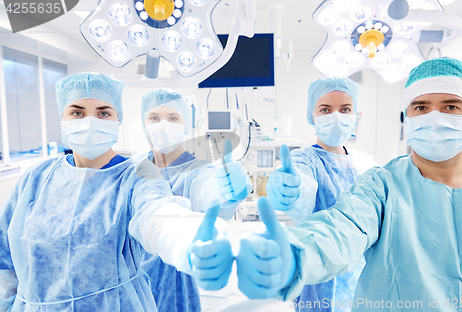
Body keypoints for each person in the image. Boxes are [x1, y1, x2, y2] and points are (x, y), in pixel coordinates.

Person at [235, 58, 462, 311]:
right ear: (408, 116)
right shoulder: (382, 186)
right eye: (420, 107)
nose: (434, 117)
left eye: (450, 106)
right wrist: (290, 254)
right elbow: (343, 229)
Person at [0, 73, 227, 312]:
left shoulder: (137, 177)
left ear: (117, 120)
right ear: (62, 118)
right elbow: (5, 258)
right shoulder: (36, 178)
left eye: (103, 113)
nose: (89, 121)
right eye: (77, 112)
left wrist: (193, 240)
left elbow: (159, 215)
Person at [265, 77, 377, 312]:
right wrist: (290, 189)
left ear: (355, 115)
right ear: (312, 116)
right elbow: (302, 192)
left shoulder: (366, 162)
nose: (336, 116)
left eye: (345, 109)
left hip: (363, 279)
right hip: (319, 277)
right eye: (325, 109)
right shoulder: (303, 160)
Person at [136, 89, 252, 312]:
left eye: (172, 118)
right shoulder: (134, 169)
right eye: (154, 118)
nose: (162, 125)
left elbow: (205, 189)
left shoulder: (196, 169)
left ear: (185, 125)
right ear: (144, 124)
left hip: (178, 287)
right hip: (134, 289)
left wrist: (224, 188)